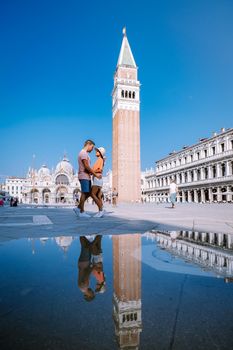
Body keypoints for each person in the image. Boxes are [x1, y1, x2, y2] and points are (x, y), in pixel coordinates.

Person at [76, 140, 102, 218]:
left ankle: (78, 208)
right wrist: (95, 175)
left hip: (86, 176)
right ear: (88, 145)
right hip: (84, 176)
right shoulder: (83, 153)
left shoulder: (85, 153)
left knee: (87, 193)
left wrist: (91, 172)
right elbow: (86, 166)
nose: (92, 149)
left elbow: (87, 167)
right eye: (92, 147)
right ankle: (81, 211)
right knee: (84, 193)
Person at [78, 237, 95, 302]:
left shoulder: (84, 287)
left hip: (84, 263)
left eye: (92, 293)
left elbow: (86, 273)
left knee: (86, 247)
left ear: (89, 295)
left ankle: (80, 233)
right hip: (83, 263)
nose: (92, 291)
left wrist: (93, 267)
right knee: (87, 247)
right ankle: (81, 234)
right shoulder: (82, 288)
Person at [91, 147, 106, 218]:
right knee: (98, 196)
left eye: (97, 151)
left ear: (100, 153)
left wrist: (91, 172)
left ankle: (101, 210)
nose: (96, 152)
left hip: (97, 178)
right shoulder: (100, 159)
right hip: (98, 179)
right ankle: (101, 210)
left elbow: (99, 169)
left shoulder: (100, 159)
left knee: (92, 194)